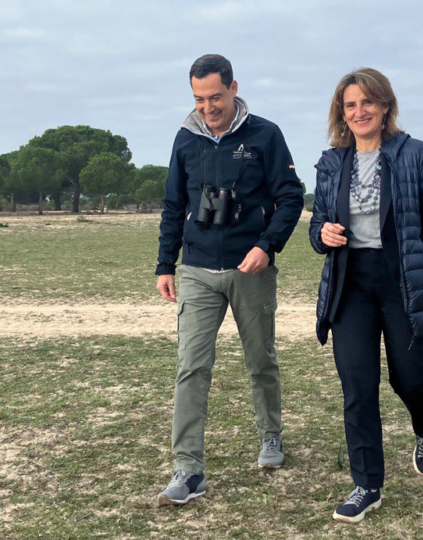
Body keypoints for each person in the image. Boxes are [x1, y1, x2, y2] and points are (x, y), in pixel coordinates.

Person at [154, 54, 304, 506]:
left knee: (260, 359)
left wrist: (267, 245)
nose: (208, 107)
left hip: (250, 267)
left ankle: (271, 435)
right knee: (191, 367)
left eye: (215, 97)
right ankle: (188, 469)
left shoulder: (265, 134)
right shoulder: (186, 138)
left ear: (234, 88)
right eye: (199, 99)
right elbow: (173, 204)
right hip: (197, 269)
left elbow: (290, 197)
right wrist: (165, 264)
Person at [309, 67, 423, 523]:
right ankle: (367, 485)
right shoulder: (332, 162)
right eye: (350, 105)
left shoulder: (413, 153)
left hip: (402, 280)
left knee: (409, 378)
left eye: (367, 102)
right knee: (357, 385)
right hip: (350, 282)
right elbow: (317, 225)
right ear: (341, 113)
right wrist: (322, 234)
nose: (359, 111)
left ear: (385, 105)